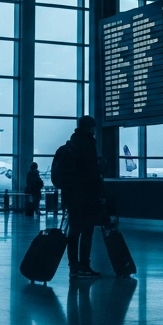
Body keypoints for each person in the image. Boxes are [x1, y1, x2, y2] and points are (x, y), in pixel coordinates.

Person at [56, 116, 105, 278]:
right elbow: (93, 172)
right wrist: (101, 193)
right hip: (86, 195)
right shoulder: (88, 144)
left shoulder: (69, 145)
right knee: (87, 231)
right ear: (91, 128)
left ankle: (73, 267)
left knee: (74, 231)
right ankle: (85, 265)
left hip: (70, 196)